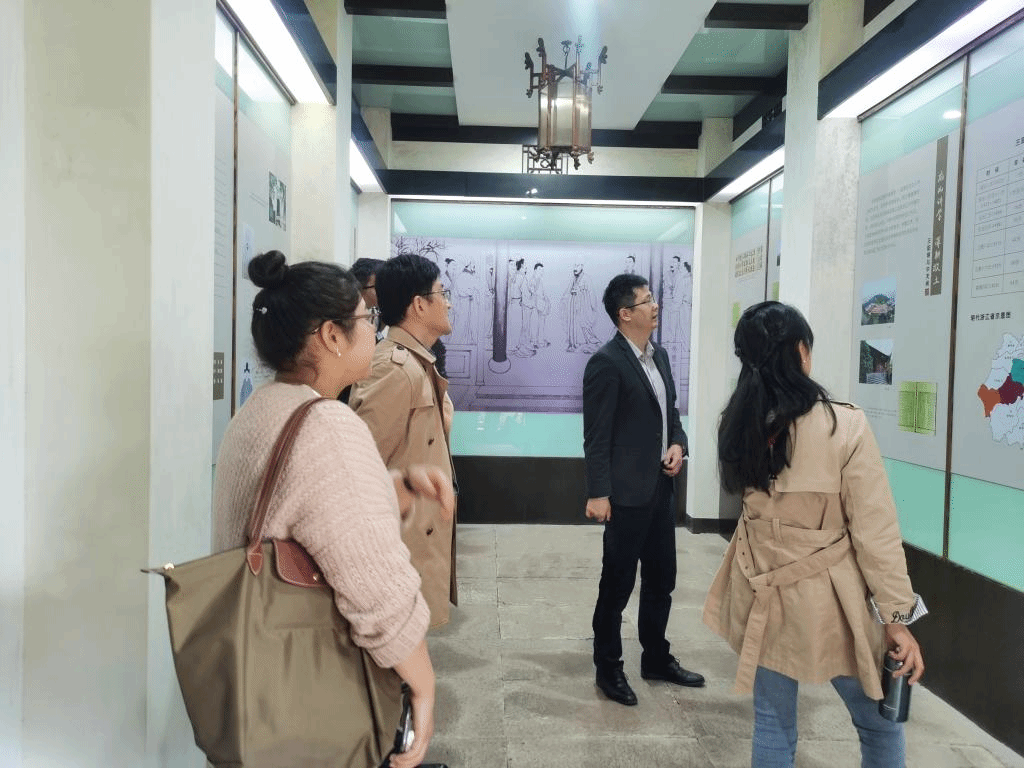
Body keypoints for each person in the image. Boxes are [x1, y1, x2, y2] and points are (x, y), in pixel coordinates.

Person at [213, 250, 454, 768]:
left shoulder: (263, 409)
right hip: (312, 686)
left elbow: (310, 515)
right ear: (331, 336)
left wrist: (394, 488)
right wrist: (423, 682)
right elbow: (375, 587)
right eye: (366, 319)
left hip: (258, 670)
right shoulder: (326, 425)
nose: (374, 328)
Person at [704, 301, 926, 768]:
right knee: (879, 723)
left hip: (762, 590)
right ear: (800, 352)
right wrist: (897, 619)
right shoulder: (844, 425)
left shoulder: (737, 423)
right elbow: (875, 533)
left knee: (773, 724)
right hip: (832, 598)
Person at [583, 273, 705, 706]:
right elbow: (596, 436)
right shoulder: (606, 363)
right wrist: (598, 493)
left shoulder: (661, 356)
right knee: (617, 586)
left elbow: (672, 416)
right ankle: (608, 668)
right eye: (647, 300)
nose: (656, 306)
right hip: (624, 496)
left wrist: (679, 445)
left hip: (660, 490)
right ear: (625, 314)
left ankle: (656, 657)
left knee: (661, 580)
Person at [350, 253, 459, 628]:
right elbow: (362, 468)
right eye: (442, 294)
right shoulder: (394, 369)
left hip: (414, 539)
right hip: (396, 546)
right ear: (419, 304)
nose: (448, 304)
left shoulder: (416, 363)